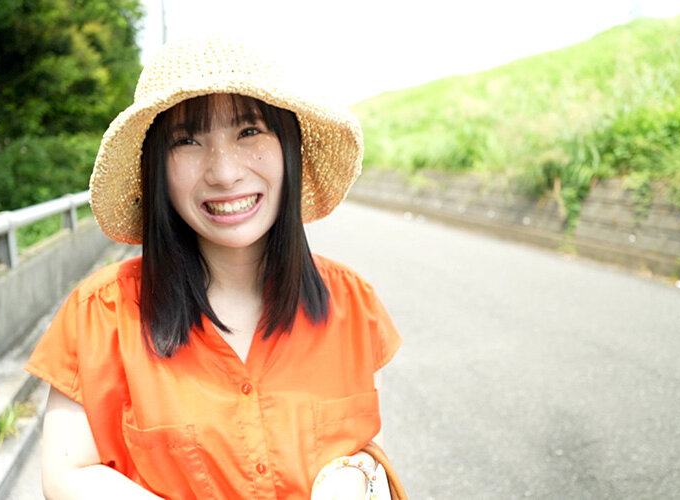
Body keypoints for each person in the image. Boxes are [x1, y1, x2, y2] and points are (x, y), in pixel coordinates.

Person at [25, 36, 401, 500]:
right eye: (187, 140)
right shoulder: (101, 314)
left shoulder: (353, 304)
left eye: (249, 132)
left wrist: (356, 472)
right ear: (156, 167)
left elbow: (368, 449)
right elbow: (67, 475)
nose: (225, 173)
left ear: (289, 146)